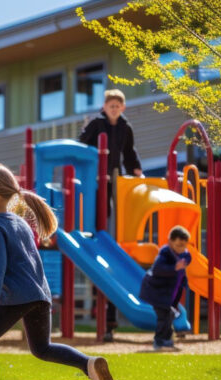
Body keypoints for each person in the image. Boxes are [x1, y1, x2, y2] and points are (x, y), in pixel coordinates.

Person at [0, 164, 114, 380]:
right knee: (42, 348)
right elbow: (19, 260)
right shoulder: (20, 222)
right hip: (39, 295)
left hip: (16, 295)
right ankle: (88, 364)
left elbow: (0, 263)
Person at [78, 88, 143, 342]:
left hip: (113, 174)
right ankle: (98, 228)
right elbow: (82, 143)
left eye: (118, 105)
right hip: (95, 174)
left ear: (123, 107)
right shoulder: (96, 123)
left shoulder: (125, 127)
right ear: (104, 107)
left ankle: (107, 232)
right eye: (110, 105)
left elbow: (129, 151)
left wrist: (135, 169)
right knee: (99, 202)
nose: (114, 108)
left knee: (114, 199)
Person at [139, 226, 192, 351]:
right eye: (178, 245)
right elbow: (158, 269)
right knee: (164, 315)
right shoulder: (164, 255)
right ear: (170, 242)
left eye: (184, 245)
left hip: (167, 293)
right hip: (155, 291)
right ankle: (160, 341)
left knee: (170, 314)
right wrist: (174, 268)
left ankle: (166, 339)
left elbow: (188, 257)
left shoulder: (183, 254)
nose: (181, 249)